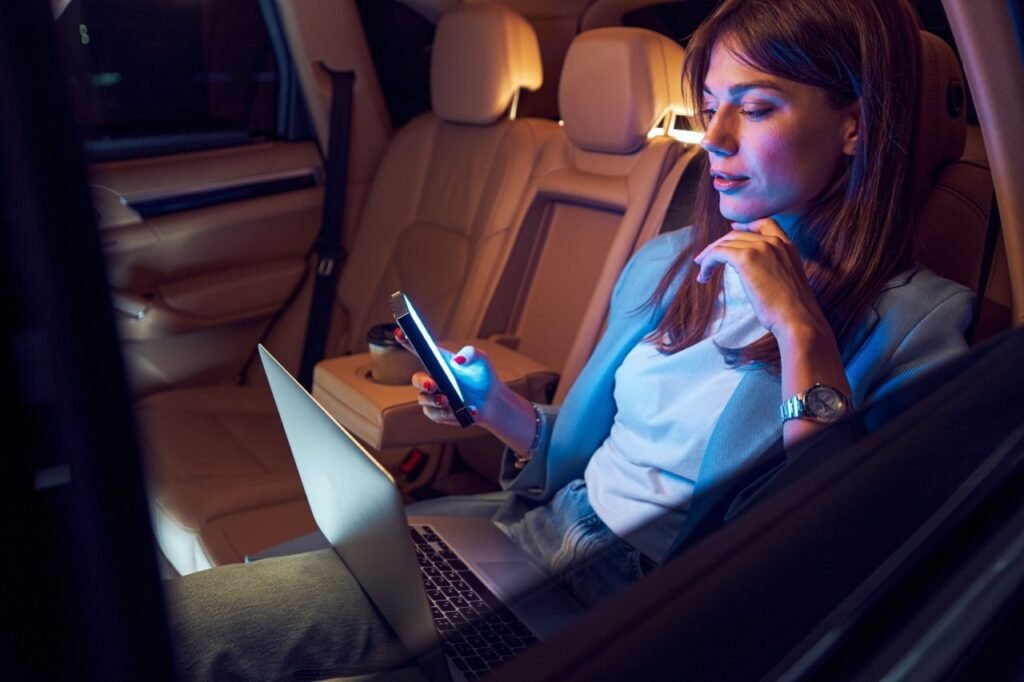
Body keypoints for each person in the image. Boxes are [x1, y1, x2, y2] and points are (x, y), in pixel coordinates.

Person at [166, 0, 973, 679]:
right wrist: (499, 408)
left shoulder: (921, 322)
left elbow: (843, 539)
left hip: (655, 608)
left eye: (756, 108)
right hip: (535, 538)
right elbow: (594, 459)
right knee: (183, 624)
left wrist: (801, 329)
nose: (715, 137)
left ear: (855, 128)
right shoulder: (669, 263)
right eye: (711, 104)